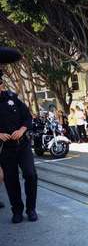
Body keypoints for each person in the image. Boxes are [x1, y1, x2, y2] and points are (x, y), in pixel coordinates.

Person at [0, 71, 38, 223]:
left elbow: (27, 117)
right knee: (11, 180)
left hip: (22, 145)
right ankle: (17, 210)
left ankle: (31, 209)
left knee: (30, 174)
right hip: (4, 148)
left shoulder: (12, 98)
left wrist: (22, 130)